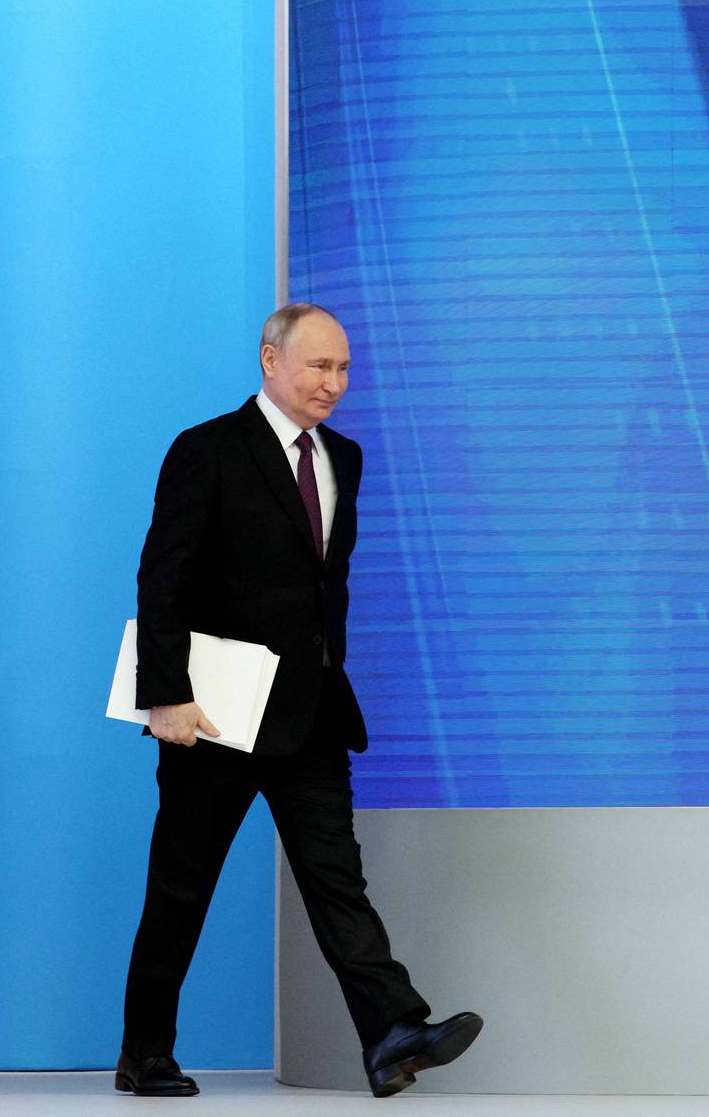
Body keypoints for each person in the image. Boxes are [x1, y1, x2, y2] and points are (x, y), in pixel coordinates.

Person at [118, 302, 482, 1099]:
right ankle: (144, 1052)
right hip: (213, 714)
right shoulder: (208, 450)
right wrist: (165, 697)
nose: (335, 383)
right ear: (269, 360)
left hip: (312, 711)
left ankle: (391, 1033)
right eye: (319, 366)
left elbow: (326, 588)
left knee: (335, 879)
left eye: (344, 369)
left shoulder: (344, 458)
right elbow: (163, 576)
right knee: (181, 886)